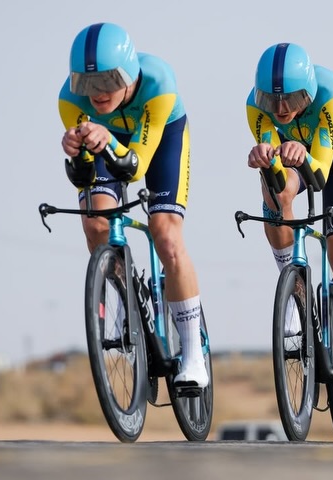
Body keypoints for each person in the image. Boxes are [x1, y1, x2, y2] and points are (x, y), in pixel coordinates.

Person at [58, 22, 207, 388]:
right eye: (87, 83)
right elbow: (84, 177)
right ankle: (127, 302)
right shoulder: (70, 101)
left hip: (158, 139)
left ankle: (193, 355)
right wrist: (77, 154)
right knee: (96, 224)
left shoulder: (158, 83)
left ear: (128, 74)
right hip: (104, 141)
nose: (97, 93)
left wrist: (108, 138)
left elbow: (135, 167)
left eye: (108, 80)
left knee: (165, 234)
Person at [246, 42, 333, 418]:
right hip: (292, 153)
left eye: (291, 98)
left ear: (309, 93)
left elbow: (319, 172)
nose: (280, 108)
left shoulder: (331, 92)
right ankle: (294, 290)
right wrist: (265, 159)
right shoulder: (254, 105)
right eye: (272, 100)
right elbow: (276, 168)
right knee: (274, 191)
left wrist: (302, 153)